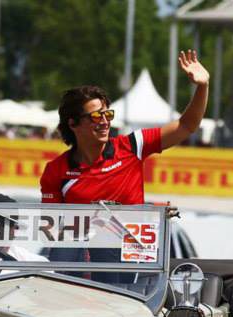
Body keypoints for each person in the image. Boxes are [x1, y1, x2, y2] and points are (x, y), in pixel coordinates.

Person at [40, 49, 210, 206]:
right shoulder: (55, 171)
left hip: (129, 240)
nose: (105, 121)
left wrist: (203, 86)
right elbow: (50, 228)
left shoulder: (133, 146)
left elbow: (186, 125)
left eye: (108, 114)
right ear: (73, 124)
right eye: (97, 116)